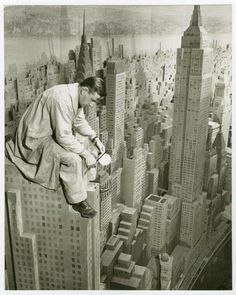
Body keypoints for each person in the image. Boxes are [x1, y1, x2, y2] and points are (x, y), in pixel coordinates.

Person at [6, 77, 106, 218]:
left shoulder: (75, 95)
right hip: (36, 138)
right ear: (84, 90)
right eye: (92, 100)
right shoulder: (62, 99)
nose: (91, 105)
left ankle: (79, 186)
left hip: (49, 133)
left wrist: (95, 138)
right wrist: (86, 155)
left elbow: (79, 122)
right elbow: (63, 137)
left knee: (83, 148)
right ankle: (78, 201)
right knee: (73, 159)